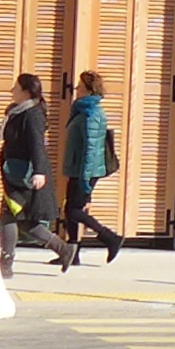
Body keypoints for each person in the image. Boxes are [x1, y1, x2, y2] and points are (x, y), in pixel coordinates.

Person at [56, 69, 123, 268]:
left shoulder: (92, 114)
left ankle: (110, 237)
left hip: (85, 170)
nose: (76, 89)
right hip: (77, 169)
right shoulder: (82, 110)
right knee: (71, 209)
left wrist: (85, 178)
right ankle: (73, 253)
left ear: (88, 89)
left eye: (79, 86)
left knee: (74, 210)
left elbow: (91, 149)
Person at [0, 73, 52, 279]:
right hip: (13, 172)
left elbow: (37, 145)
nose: (12, 91)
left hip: (23, 175)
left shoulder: (32, 114)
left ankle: (6, 263)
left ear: (26, 92)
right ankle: (63, 249)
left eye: (16, 88)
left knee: (9, 216)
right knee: (23, 221)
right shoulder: (16, 112)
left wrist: (39, 171)